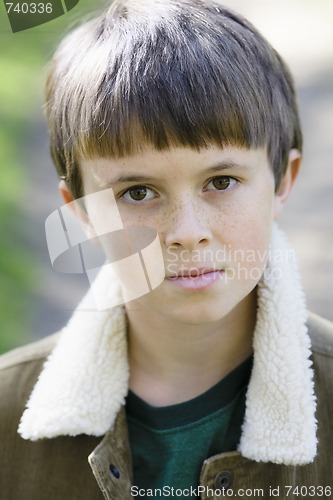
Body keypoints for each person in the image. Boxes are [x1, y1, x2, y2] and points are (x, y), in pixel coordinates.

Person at [1, 1, 332, 498]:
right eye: (137, 193)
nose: (187, 231)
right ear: (81, 212)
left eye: (221, 181)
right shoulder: (10, 412)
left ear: (283, 180)